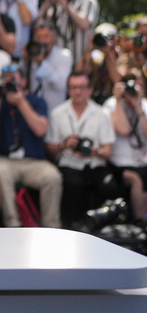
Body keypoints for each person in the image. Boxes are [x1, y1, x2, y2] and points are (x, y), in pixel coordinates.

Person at [0, 64, 62, 228]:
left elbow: (40, 129)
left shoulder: (36, 101)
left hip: (33, 162)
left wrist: (21, 102)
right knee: (0, 171)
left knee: (52, 176)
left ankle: (51, 226)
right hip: (6, 160)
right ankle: (13, 225)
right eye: (6, 78)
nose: (9, 82)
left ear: (24, 80)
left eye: (13, 78)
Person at [45, 71, 116, 228]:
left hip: (95, 163)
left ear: (90, 90)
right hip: (69, 163)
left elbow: (108, 152)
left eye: (82, 87)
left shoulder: (101, 114)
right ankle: (71, 228)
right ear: (68, 90)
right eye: (74, 87)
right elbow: (50, 149)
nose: (78, 92)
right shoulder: (57, 113)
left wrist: (94, 151)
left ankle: (104, 230)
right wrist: (64, 145)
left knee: (109, 186)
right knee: (73, 185)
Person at [104, 73, 147, 221]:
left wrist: (138, 107)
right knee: (137, 178)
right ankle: (139, 222)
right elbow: (124, 129)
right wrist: (118, 100)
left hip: (142, 161)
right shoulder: (112, 104)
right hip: (118, 164)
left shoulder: (144, 105)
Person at [39, 0, 99, 64]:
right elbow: (41, 24)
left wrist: (64, 4)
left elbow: (84, 24)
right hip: (59, 65)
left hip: (81, 63)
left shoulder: (87, 1)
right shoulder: (55, 5)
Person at [25, 21, 74, 114]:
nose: (42, 41)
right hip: (33, 111)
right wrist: (25, 60)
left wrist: (42, 63)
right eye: (38, 37)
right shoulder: (32, 54)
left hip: (55, 111)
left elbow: (60, 84)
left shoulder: (64, 55)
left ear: (54, 38)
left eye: (45, 37)